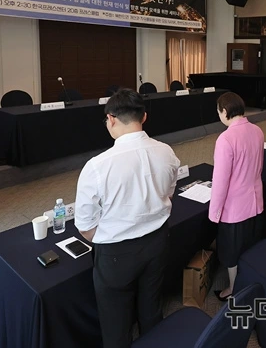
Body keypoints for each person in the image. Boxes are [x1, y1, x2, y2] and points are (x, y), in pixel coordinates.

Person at [75, 88, 180, 348]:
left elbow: (85, 226)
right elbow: (169, 193)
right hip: (159, 241)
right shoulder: (166, 152)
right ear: (143, 117)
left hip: (115, 254)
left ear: (111, 119)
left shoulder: (97, 166)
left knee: (115, 323)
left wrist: (108, 238)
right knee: (151, 307)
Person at [208, 92, 266, 301]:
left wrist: (214, 212)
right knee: (250, 244)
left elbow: (220, 181)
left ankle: (234, 289)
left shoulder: (226, 139)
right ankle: (251, 280)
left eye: (218, 112)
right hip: (255, 199)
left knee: (232, 251)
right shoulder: (258, 130)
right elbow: (260, 165)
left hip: (235, 207)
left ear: (225, 111)